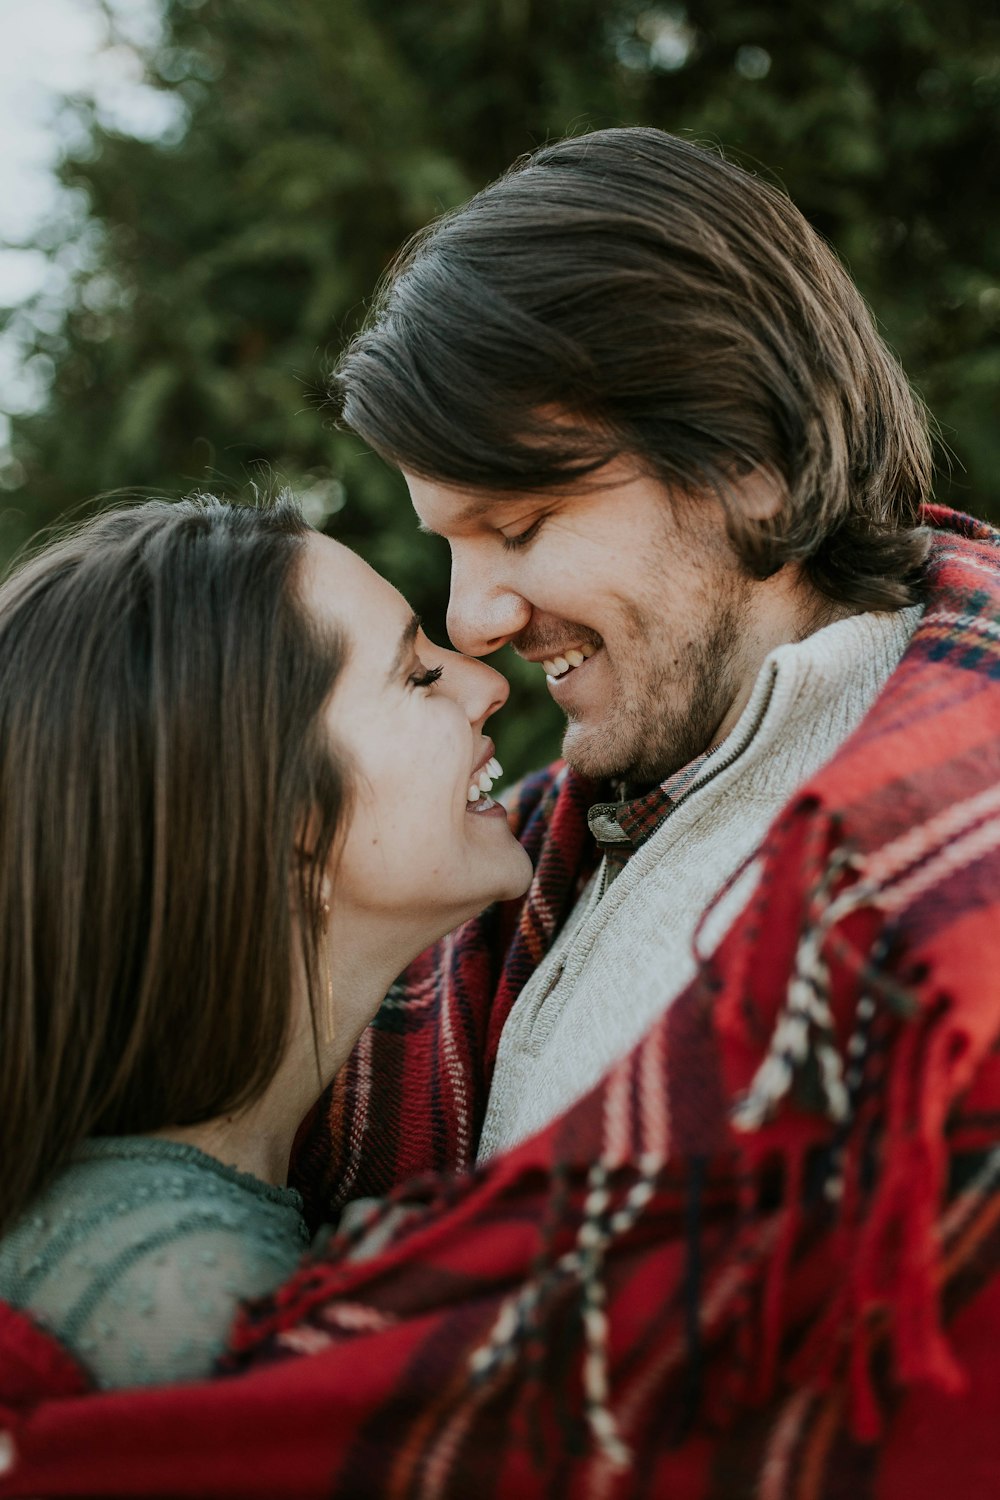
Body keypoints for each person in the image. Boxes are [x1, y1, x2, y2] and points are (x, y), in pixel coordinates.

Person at [2, 128, 1000, 1499]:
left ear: (748, 465)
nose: (477, 622)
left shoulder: (947, 881)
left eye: (519, 526)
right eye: (445, 548)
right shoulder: (532, 871)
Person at [0, 493, 530, 1390]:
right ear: (287, 829)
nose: (486, 681)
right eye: (416, 676)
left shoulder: (157, 1222)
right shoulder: (188, 1297)